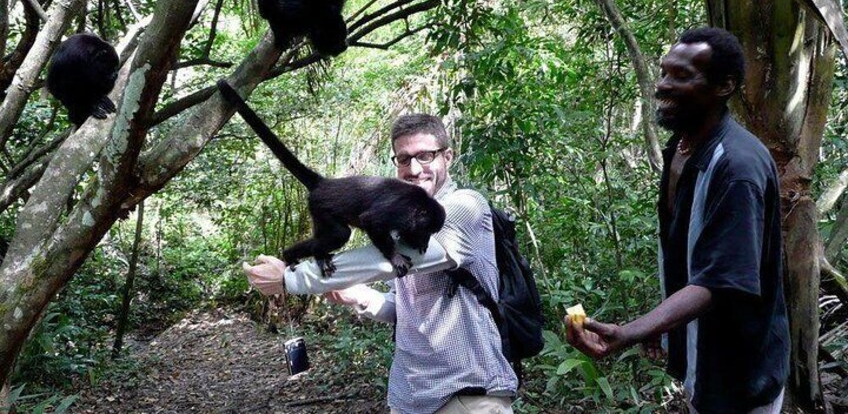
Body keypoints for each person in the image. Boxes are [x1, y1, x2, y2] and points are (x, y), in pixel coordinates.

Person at [566, 27, 789, 414]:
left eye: (682, 76)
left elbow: (721, 280)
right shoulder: (682, 148)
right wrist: (662, 325)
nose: (663, 86)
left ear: (724, 86)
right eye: (665, 72)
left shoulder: (737, 167)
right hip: (700, 360)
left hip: (739, 372)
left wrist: (633, 330)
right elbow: (684, 247)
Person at [243, 114, 517, 414]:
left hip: (468, 395)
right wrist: (361, 296)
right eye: (404, 159)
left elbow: (407, 258)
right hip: (410, 397)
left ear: (447, 157)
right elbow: (404, 310)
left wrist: (293, 278)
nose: (414, 169)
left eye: (425, 156)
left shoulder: (466, 207)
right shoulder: (401, 215)